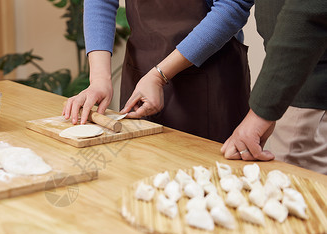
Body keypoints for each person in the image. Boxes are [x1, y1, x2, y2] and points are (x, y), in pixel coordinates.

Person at [63, 0, 255, 143]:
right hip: (139, 77)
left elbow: (232, 6)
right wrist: (99, 78)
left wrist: (158, 75)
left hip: (211, 85)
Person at [221, 0, 327, 175]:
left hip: (309, 90)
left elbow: (310, 10)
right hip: (301, 85)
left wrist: (262, 110)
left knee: (300, 194)